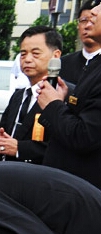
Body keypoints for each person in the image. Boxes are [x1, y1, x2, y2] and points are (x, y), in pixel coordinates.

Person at [37, 0, 101, 186]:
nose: (90, 20)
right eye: (84, 19)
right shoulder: (89, 65)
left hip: (83, 187)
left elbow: (84, 136)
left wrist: (53, 105)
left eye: (95, 15)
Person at [0, 26, 61, 164]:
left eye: (35, 54)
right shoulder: (19, 96)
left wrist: (19, 148)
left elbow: (63, 149)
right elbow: (3, 131)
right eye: (23, 54)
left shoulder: (63, 95)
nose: (27, 59)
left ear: (55, 56)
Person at [60, 0, 101, 85]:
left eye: (93, 20)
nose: (87, 26)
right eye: (84, 20)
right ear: (78, 25)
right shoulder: (63, 63)